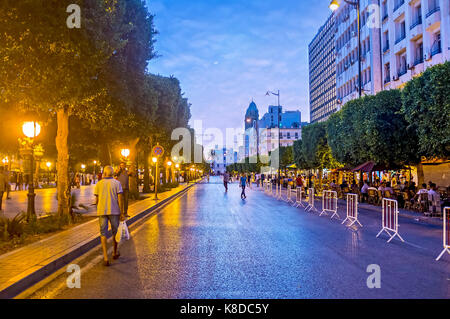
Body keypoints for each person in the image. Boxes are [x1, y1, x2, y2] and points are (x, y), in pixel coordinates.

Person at [94, 166, 125, 267]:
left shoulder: (98, 184)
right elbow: (120, 199)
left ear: (104, 173)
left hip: (102, 211)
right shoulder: (117, 183)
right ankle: (115, 252)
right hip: (114, 211)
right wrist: (122, 213)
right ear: (112, 173)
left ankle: (105, 258)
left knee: (103, 233)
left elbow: (97, 201)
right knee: (115, 232)